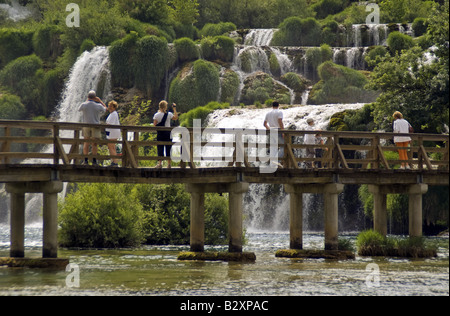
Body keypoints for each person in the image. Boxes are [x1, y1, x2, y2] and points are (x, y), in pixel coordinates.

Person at [78, 90, 107, 165]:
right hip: (95, 126)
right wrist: (99, 100)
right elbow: (105, 109)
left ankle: (85, 160)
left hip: (86, 126)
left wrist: (87, 100)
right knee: (94, 144)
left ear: (88, 97)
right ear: (95, 97)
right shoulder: (98, 105)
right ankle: (94, 161)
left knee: (86, 143)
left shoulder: (84, 105)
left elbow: (79, 109)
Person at [153, 101, 178, 168]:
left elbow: (154, 125)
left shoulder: (156, 115)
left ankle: (160, 164)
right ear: (165, 107)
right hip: (168, 133)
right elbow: (175, 118)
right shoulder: (169, 114)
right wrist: (174, 109)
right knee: (168, 148)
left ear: (159, 106)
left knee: (160, 147)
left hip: (160, 133)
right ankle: (169, 164)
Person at [105, 101, 121, 167]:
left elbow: (110, 123)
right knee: (112, 147)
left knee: (111, 146)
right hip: (112, 132)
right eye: (109, 106)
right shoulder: (113, 114)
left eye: (111, 106)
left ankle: (115, 163)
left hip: (113, 132)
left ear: (114, 107)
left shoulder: (114, 114)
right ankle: (114, 162)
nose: (109, 108)